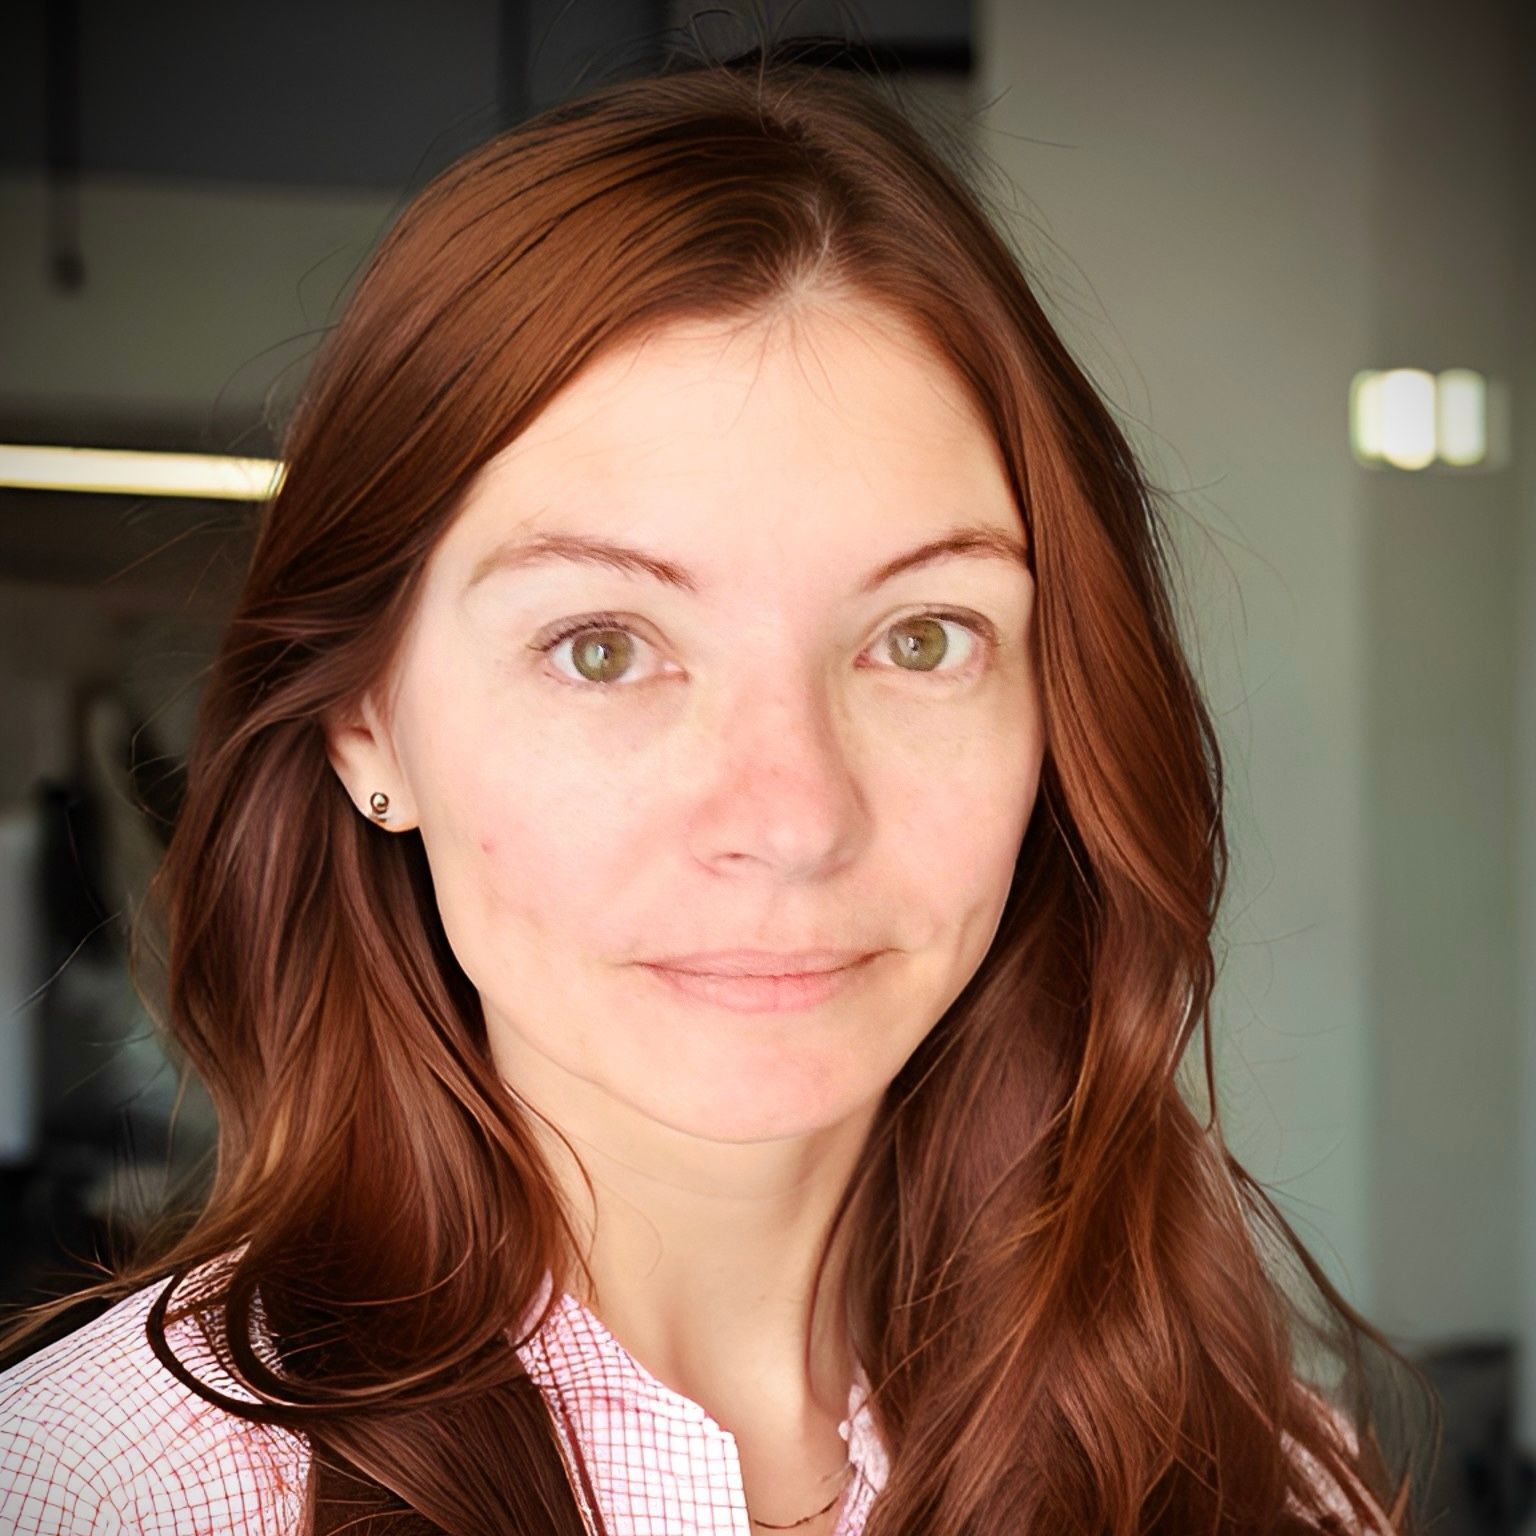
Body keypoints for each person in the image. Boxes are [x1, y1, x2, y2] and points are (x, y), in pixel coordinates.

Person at [0, 37, 1429, 1536]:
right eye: (604, 647)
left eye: (919, 639)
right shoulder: (112, 1491)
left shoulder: (1261, 1478)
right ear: (368, 728)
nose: (791, 815)